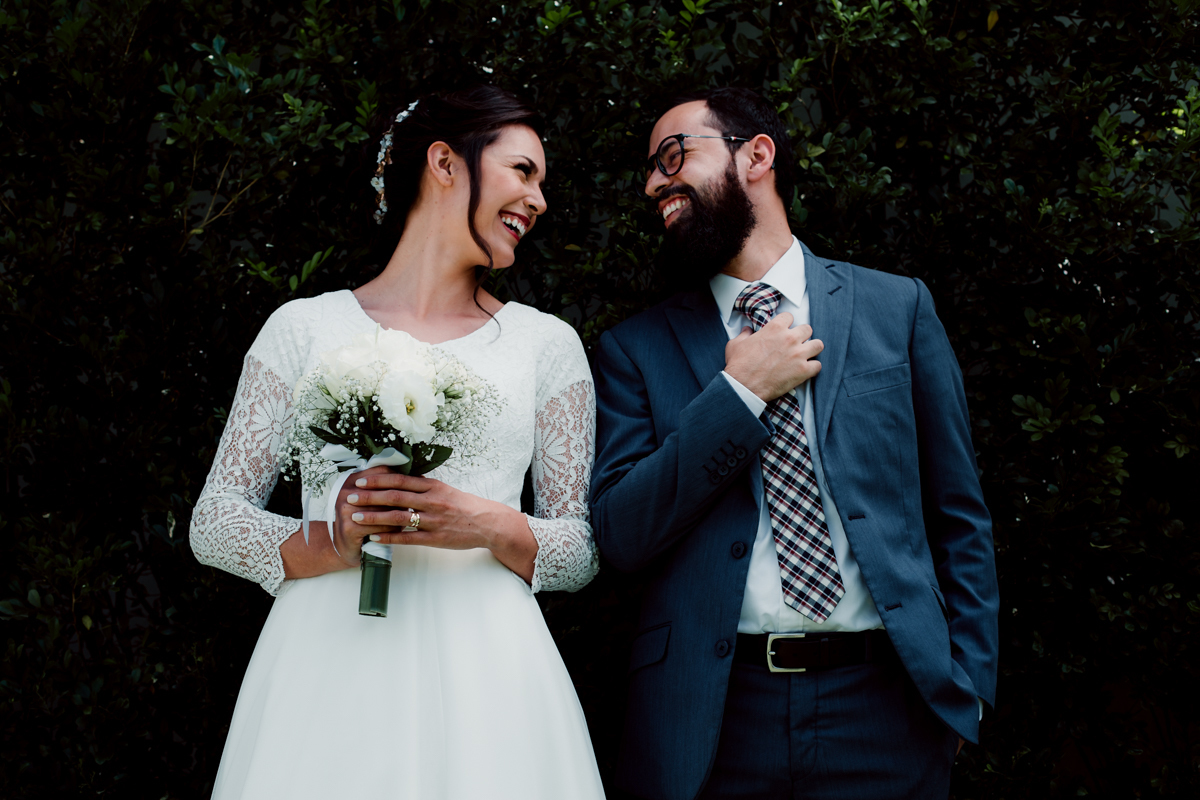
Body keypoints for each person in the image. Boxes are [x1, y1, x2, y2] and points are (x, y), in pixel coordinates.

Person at [190, 85, 605, 799]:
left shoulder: (546, 346)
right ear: (445, 162)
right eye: (523, 172)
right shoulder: (304, 328)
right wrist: (330, 539)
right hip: (325, 666)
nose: (538, 201)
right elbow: (213, 520)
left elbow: (584, 549)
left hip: (493, 680)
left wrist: (480, 523)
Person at [590, 88, 999, 799]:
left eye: (672, 155)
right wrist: (739, 397)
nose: (654, 182)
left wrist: (966, 687)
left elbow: (959, 512)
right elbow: (622, 535)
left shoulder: (896, 308)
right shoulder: (635, 349)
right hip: (714, 719)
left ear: (757, 155)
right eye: (651, 170)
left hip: (889, 709)